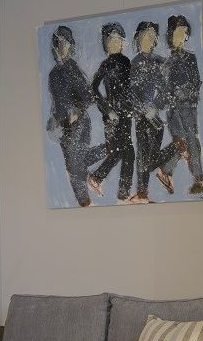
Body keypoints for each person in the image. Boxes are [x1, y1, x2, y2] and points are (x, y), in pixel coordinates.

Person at [45, 25, 106, 207]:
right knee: (73, 166)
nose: (62, 47)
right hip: (63, 127)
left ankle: (85, 201)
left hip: (79, 124)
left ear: (70, 46)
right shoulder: (52, 74)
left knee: (75, 165)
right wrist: (54, 120)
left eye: (65, 43)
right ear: (55, 46)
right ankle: (110, 149)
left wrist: (76, 112)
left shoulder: (72, 67)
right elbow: (56, 103)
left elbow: (88, 96)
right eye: (59, 43)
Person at [156, 14, 203, 196]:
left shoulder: (191, 58)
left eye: (184, 33)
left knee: (192, 142)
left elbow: (196, 83)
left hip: (189, 108)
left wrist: (185, 93)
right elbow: (165, 93)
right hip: (174, 111)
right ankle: (195, 179)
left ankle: (169, 171)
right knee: (184, 143)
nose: (182, 36)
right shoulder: (166, 64)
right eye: (178, 32)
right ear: (171, 35)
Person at [87, 23, 137, 202]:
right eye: (111, 40)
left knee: (126, 152)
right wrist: (107, 109)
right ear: (105, 43)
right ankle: (103, 181)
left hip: (126, 113)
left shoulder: (127, 62)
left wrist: (133, 107)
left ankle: (120, 191)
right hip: (112, 116)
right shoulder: (106, 64)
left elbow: (130, 88)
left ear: (122, 43)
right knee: (119, 151)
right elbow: (93, 88)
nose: (115, 43)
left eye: (118, 40)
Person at [128, 21, 168, 203]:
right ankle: (142, 192)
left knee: (149, 158)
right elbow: (131, 93)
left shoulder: (159, 61)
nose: (148, 40)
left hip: (155, 117)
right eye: (144, 36)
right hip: (141, 117)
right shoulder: (134, 64)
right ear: (138, 39)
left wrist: (155, 107)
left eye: (151, 37)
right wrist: (144, 110)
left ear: (155, 40)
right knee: (143, 155)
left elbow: (166, 89)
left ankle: (174, 150)